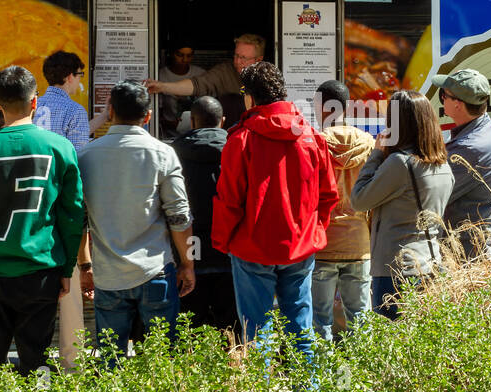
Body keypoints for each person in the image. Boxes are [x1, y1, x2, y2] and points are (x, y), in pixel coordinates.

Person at [0, 66, 84, 392]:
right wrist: (66, 270)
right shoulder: (59, 147)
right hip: (41, 270)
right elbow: (73, 214)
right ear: (35, 102)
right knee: (36, 359)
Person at [212, 62, 337, 356]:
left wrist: (223, 241)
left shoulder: (240, 139)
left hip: (251, 247)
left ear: (250, 97)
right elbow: (328, 195)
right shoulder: (311, 138)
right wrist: (313, 231)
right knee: (302, 333)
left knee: (257, 336)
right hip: (300, 247)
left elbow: (229, 199)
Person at [78, 80, 195, 358]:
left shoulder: (84, 155)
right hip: (155, 271)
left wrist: (85, 266)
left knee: (110, 362)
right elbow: (180, 217)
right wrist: (187, 263)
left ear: (110, 111)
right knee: (160, 362)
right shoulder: (163, 154)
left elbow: (78, 219)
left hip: (107, 276)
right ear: (148, 116)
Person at [351, 90, 454, 320]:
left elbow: (359, 199)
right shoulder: (443, 165)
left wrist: (376, 155)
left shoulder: (400, 164)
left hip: (395, 269)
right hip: (430, 263)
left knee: (392, 344)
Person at [34, 50, 96, 372]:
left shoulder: (32, 108)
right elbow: (79, 165)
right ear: (70, 76)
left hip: (32, 212)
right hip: (62, 212)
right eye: (79, 76)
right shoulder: (74, 110)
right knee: (69, 294)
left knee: (38, 292)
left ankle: (36, 364)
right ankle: (72, 368)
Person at [311, 80, 374, 341]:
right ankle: (366, 374)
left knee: (319, 320)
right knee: (361, 319)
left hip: (323, 243)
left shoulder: (314, 144)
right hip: (360, 243)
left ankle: (321, 377)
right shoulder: (369, 143)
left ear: (321, 108)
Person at [173, 96, 237, 331]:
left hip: (189, 251)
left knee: (190, 328)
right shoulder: (237, 150)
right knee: (231, 328)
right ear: (222, 121)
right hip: (229, 250)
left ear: (192, 123)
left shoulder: (173, 154)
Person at [433, 68, 491, 259]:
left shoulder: (471, 147)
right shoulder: (481, 129)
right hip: (475, 251)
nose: (442, 99)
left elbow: (431, 193)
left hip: (472, 258)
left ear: (457, 104)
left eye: (443, 95)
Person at [145, 33, 265, 102]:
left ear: (258, 60)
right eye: (236, 55)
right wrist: (162, 86)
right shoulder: (224, 72)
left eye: (244, 58)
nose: (238, 61)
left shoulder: (268, 77)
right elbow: (196, 85)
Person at [157, 44, 204, 138]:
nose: (184, 60)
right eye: (180, 55)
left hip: (196, 135)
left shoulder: (200, 74)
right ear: (171, 54)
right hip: (169, 136)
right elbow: (157, 113)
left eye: (189, 56)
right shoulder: (161, 75)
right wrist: (171, 123)